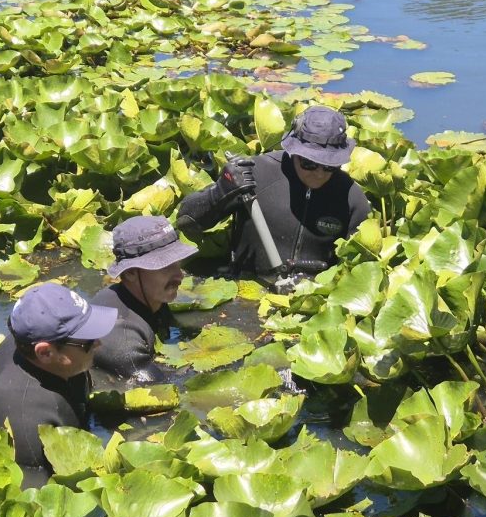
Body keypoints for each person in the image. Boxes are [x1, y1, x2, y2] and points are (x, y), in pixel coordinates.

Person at [176, 104, 370, 281]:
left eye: (329, 166)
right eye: (309, 163)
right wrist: (220, 192)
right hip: (245, 289)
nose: (319, 173)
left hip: (310, 299)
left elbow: (358, 271)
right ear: (294, 151)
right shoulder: (255, 173)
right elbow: (186, 222)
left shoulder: (352, 199)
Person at [0, 282, 117, 487]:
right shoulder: (28, 424)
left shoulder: (30, 343)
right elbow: (38, 499)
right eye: (86, 341)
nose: (98, 343)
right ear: (45, 352)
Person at [91, 215, 197, 383]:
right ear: (130, 273)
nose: (179, 275)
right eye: (165, 266)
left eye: (177, 263)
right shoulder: (123, 340)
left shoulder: (152, 296)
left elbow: (172, 332)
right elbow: (158, 384)